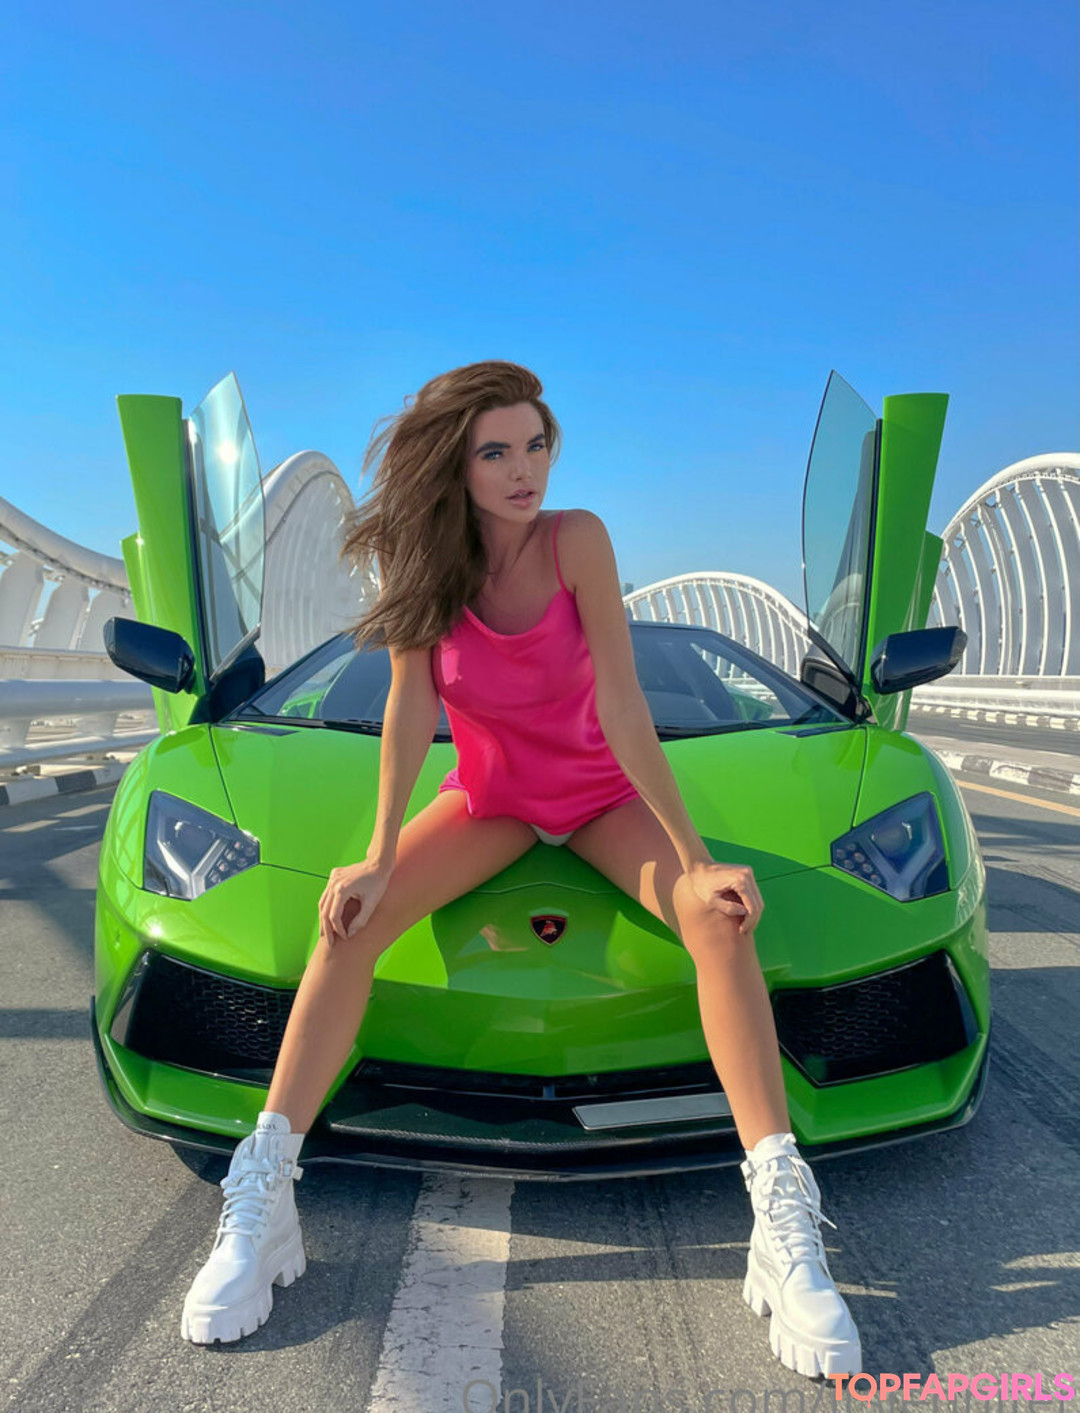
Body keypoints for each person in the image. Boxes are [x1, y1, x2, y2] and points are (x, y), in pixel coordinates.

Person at [180, 360, 862, 1378]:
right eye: (495, 451)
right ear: (454, 464)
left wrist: (694, 858)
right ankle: (264, 1198)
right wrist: (375, 855)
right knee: (349, 921)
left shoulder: (577, 539)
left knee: (720, 919)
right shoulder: (422, 561)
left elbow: (623, 705)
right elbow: (411, 709)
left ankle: (782, 1220)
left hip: (598, 796)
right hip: (492, 799)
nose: (523, 469)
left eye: (535, 445)